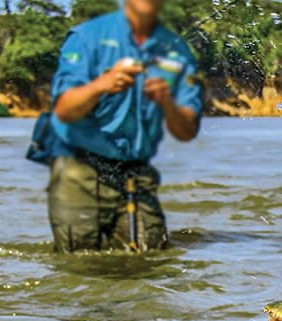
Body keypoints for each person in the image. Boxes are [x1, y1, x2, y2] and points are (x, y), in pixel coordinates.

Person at [44, 0, 201, 253]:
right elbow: (63, 109)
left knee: (152, 258)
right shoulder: (86, 37)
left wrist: (166, 100)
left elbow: (187, 131)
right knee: (78, 266)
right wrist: (101, 85)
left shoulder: (177, 50)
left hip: (137, 173)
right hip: (80, 169)